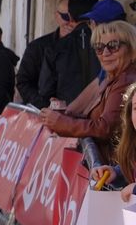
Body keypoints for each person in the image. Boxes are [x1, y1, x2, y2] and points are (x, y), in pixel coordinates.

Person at [41, 20, 136, 163]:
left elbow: (105, 128)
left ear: (131, 49)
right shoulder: (114, 77)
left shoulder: (126, 80)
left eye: (113, 46)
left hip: (118, 173)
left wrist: (63, 122)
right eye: (99, 47)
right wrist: (64, 116)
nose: (105, 53)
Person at [16, 0, 80, 109]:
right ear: (57, 16)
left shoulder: (89, 47)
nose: (70, 22)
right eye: (66, 17)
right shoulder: (37, 47)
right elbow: (23, 82)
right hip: (44, 115)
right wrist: (46, 105)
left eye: (76, 17)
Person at [42, 0, 100, 108]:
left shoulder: (55, 48)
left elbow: (45, 90)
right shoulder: (111, 46)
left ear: (69, 16)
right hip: (100, 117)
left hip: (67, 118)